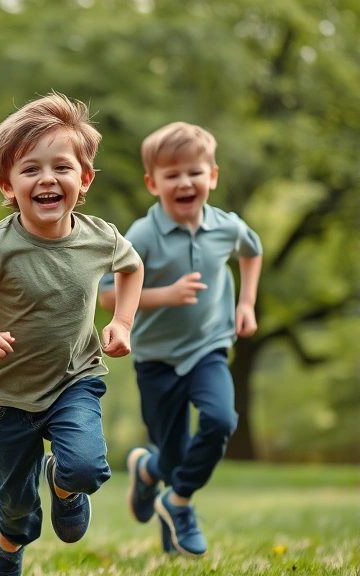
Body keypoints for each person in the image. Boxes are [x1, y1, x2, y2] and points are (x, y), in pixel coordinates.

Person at [0, 93, 144, 576]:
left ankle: (65, 486)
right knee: (17, 505)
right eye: (30, 170)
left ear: (84, 179)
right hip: (5, 398)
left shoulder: (100, 238)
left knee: (86, 467)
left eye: (61, 167)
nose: (47, 179)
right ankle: (5, 549)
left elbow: (132, 267)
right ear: (8, 185)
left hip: (74, 381)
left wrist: (123, 321)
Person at [99, 121, 262, 557]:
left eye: (194, 172)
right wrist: (165, 295)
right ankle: (149, 470)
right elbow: (108, 295)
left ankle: (179, 500)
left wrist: (246, 304)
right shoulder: (142, 235)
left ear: (213, 176)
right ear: (153, 184)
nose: (185, 182)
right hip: (156, 359)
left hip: (209, 348)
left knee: (221, 420)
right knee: (171, 457)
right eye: (172, 175)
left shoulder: (226, 227)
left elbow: (252, 251)